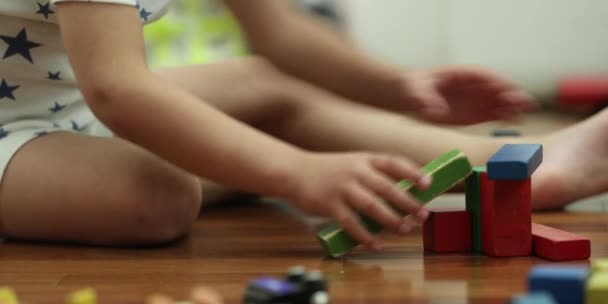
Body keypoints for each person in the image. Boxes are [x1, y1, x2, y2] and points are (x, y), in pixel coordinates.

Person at [1, 0, 606, 253]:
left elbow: (282, 33)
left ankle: (528, 164)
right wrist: (293, 172)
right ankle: (251, 165)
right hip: (14, 131)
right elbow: (121, 92)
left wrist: (398, 87)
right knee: (157, 199)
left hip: (71, 105)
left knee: (260, 87)